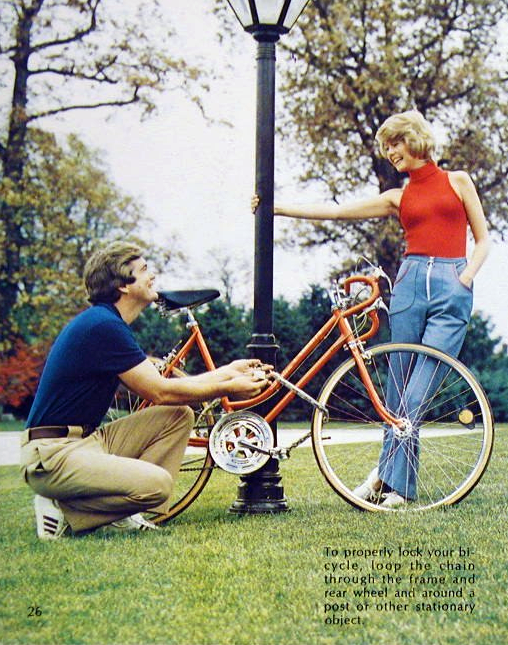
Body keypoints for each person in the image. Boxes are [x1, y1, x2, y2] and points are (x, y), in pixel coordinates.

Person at [252, 109, 490, 508]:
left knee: (416, 395)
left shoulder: (458, 181)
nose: (390, 152)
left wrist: (464, 278)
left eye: (394, 143)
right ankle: (396, 487)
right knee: (396, 391)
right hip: (409, 283)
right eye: (386, 147)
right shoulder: (397, 197)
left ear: (413, 138)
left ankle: (384, 478)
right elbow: (339, 211)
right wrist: (277, 208)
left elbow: (482, 240)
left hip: (452, 284)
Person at [21, 241, 272, 539]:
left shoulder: (106, 323)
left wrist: (227, 372)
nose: (152, 276)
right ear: (123, 285)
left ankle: (120, 510)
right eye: (143, 270)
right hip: (53, 455)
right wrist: (228, 386)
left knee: (176, 415)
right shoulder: (103, 327)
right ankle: (64, 510)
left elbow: (167, 391)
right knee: (159, 486)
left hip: (86, 441)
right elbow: (160, 391)